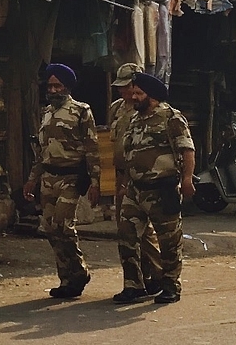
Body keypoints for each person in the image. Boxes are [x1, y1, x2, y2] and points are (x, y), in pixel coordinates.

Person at [113, 72, 196, 304]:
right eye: (134, 93)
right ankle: (134, 286)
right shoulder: (135, 120)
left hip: (162, 189)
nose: (134, 97)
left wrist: (187, 179)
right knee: (127, 237)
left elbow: (186, 150)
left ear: (153, 96)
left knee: (169, 240)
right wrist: (124, 184)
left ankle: (170, 286)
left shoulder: (171, 118)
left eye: (140, 93)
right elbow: (130, 154)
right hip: (135, 190)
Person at [23, 63, 101, 298]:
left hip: (71, 176)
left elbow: (92, 148)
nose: (53, 90)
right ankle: (67, 279)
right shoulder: (46, 113)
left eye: (58, 86)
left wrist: (95, 182)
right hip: (48, 176)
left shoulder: (81, 111)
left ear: (67, 87)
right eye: (50, 86)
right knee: (49, 228)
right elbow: (41, 150)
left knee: (63, 225)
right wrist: (31, 181)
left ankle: (79, 271)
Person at [109, 64, 162, 297]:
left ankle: (158, 274)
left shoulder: (151, 109)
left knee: (145, 231)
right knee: (126, 231)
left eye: (127, 87)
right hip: (122, 175)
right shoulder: (117, 109)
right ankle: (135, 282)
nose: (123, 92)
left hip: (143, 177)